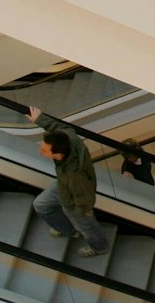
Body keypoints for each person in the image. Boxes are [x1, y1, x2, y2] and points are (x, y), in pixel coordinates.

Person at [27, 105, 111, 257]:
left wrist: (82, 211)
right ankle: (69, 230)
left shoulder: (74, 175)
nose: (41, 150)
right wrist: (40, 119)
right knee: (40, 205)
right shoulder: (68, 137)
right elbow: (59, 127)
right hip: (64, 187)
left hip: (75, 202)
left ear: (58, 155)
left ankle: (100, 247)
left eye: (45, 150)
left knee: (87, 227)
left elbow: (85, 196)